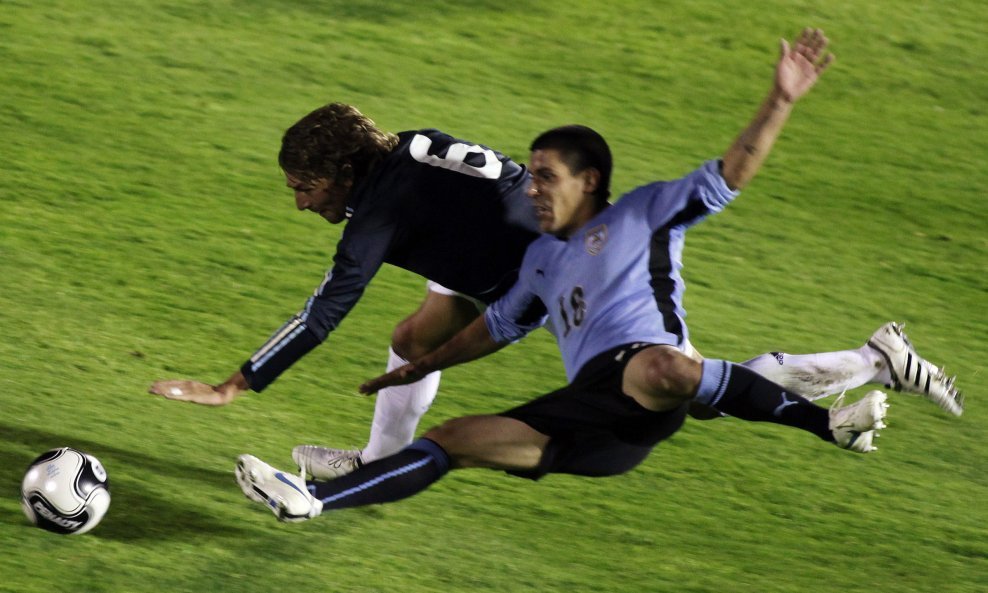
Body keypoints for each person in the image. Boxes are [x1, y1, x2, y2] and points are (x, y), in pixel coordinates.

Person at [150, 32, 962, 481]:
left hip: (547, 265)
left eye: (306, 183)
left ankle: (868, 359)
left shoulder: (382, 207)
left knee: (672, 389)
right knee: (414, 338)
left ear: (347, 170)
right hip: (492, 246)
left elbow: (330, 302)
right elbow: (487, 187)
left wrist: (236, 383)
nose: (301, 200)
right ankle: (374, 461)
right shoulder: (407, 153)